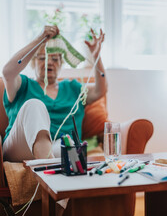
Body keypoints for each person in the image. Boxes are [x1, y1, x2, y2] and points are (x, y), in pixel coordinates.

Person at [2, 25, 107, 162]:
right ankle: (49, 169)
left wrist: (96, 57)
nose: (49, 62)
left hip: (57, 147)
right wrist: (40, 39)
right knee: (34, 105)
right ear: (33, 62)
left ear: (61, 63)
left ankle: (53, 166)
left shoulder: (73, 88)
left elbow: (101, 90)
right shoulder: (23, 85)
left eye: (55, 59)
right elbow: (7, 72)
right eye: (42, 58)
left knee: (71, 146)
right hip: (21, 146)